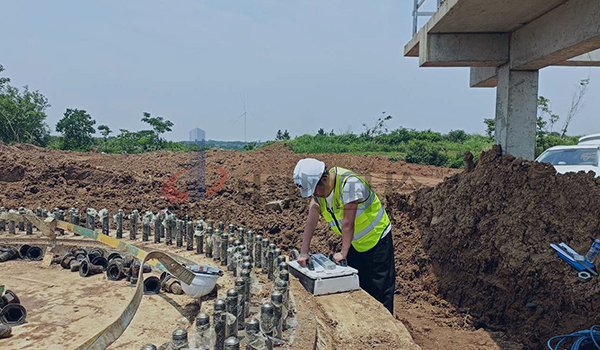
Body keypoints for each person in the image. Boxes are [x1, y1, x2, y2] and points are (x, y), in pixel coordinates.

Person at [293, 158, 395, 313]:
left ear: (324, 180)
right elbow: (311, 220)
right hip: (354, 241)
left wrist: (343, 253)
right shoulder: (319, 193)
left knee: (380, 288)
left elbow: (348, 223)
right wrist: (304, 251)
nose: (313, 196)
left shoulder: (350, 184)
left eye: (314, 191)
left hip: (376, 238)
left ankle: (388, 329)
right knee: (361, 284)